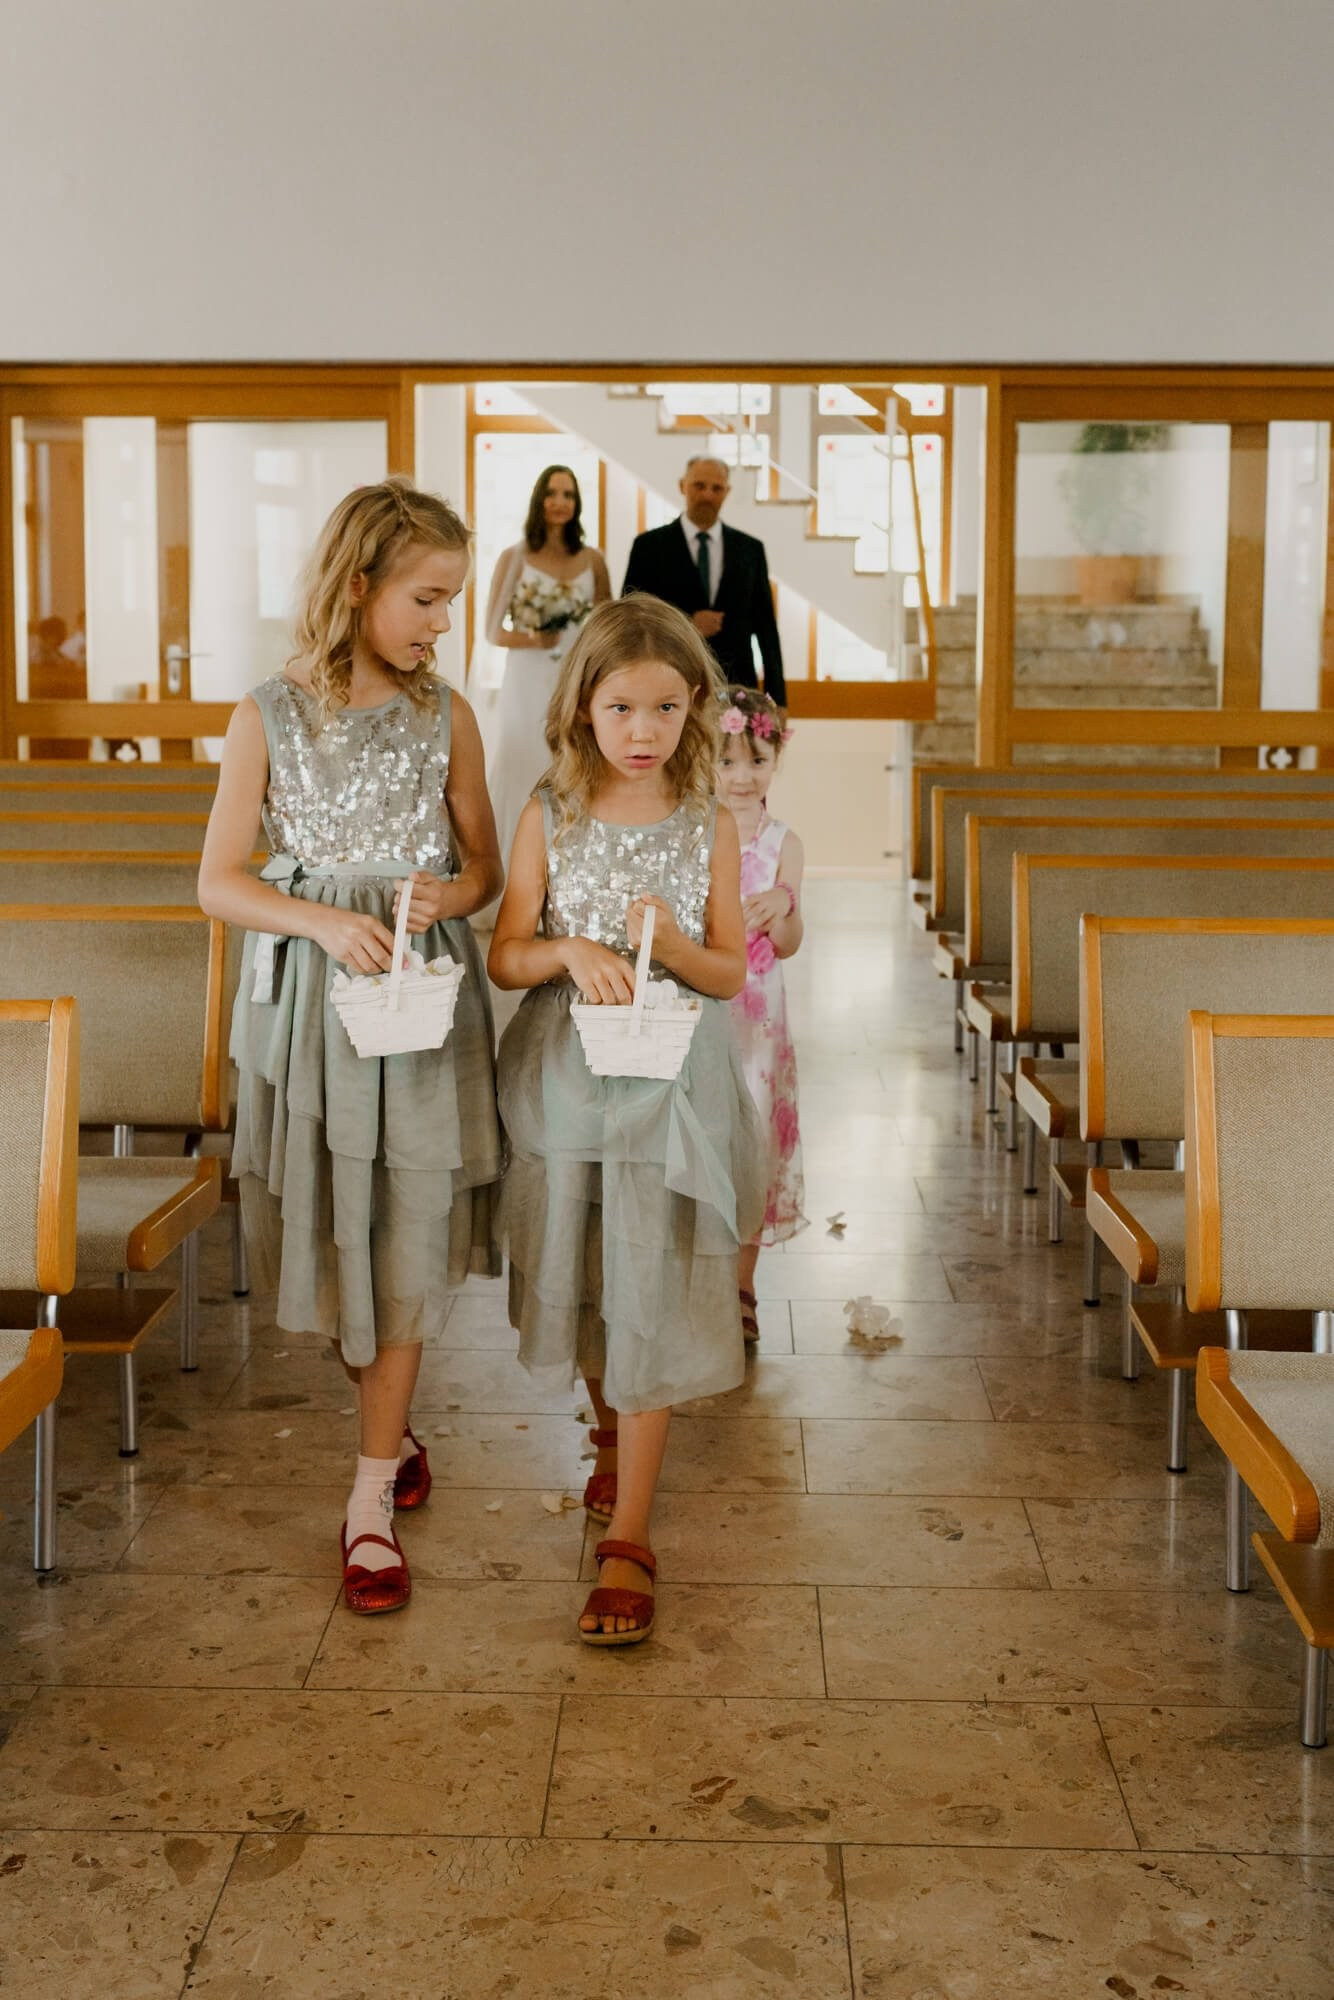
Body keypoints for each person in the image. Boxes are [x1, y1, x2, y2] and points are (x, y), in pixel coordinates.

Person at [198, 476, 504, 1617]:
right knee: (341, 1254)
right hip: (312, 1018)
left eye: (451, 602)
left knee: (408, 1240)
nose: (439, 624)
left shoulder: (448, 715)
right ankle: (393, 1419)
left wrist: (443, 897)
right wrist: (326, 915)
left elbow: (487, 870)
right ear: (359, 581)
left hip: (420, 1013)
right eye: (426, 597)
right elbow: (217, 881)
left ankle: (368, 1498)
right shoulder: (264, 714)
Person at [488, 596, 764, 1647]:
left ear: (694, 708)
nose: (641, 730)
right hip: (567, 1077)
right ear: (582, 708)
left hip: (670, 1083)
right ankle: (607, 1428)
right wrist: (570, 949)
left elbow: (731, 969)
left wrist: (670, 944)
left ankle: (631, 1531)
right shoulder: (547, 814)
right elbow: (508, 951)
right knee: (599, 1268)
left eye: (663, 706)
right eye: (619, 707)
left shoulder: (709, 825)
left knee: (652, 1281)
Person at [714, 685, 807, 1340]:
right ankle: (698, 1281)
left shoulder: (784, 844)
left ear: (775, 761)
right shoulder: (692, 831)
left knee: (751, 1149)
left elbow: (792, 945)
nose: (742, 778)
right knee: (705, 1140)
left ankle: (742, 1287)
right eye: (726, 763)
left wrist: (784, 911)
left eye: (756, 762)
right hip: (706, 1009)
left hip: (760, 1025)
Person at [472, 465, 611, 874]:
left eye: (568, 495)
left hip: (575, 676)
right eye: (552, 493)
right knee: (522, 760)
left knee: (571, 762)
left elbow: (606, 624)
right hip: (526, 677)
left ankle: (565, 874)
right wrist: (537, 638)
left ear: (577, 504)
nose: (560, 502)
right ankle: (511, 875)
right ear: (539, 499)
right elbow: (493, 632)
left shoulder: (593, 560)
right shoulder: (514, 557)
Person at [622, 454, 785, 707]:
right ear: (682, 486)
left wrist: (778, 699)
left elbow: (766, 627)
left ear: (727, 492)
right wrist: (688, 623)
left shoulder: (750, 550)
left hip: (737, 686)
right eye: (699, 486)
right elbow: (631, 618)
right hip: (669, 680)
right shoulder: (649, 547)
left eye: (716, 488)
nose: (708, 495)